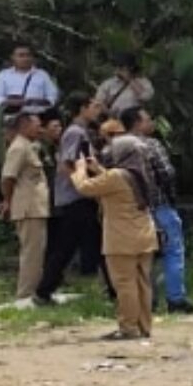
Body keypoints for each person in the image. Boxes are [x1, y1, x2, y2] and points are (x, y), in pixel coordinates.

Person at [76, 136, 160, 342]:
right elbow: (116, 186)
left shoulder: (116, 175)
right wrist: (97, 169)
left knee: (125, 284)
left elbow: (85, 188)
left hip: (122, 238)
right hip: (144, 236)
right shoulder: (138, 174)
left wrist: (78, 170)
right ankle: (143, 326)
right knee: (142, 283)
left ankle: (128, 327)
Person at [120, 107, 193, 316]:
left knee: (144, 256)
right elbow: (167, 173)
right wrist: (170, 198)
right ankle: (175, 298)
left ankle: (147, 300)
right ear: (137, 123)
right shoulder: (151, 144)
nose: (151, 123)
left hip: (132, 209)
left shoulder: (118, 147)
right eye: (147, 119)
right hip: (160, 206)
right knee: (173, 250)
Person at [36, 96, 108, 302]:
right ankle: (44, 290)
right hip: (76, 197)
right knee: (70, 246)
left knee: (75, 244)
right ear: (82, 108)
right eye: (94, 106)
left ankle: (45, 289)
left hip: (78, 197)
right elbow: (66, 164)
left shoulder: (80, 132)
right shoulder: (75, 132)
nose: (98, 110)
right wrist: (83, 185)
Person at [0, 110, 54, 307]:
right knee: (32, 252)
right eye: (36, 124)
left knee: (37, 251)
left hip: (36, 206)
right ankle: (26, 295)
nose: (39, 128)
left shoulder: (30, 146)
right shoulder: (19, 147)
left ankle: (36, 292)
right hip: (28, 206)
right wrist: (7, 200)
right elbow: (7, 177)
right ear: (24, 125)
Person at [0, 43, 59, 114]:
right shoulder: (4, 75)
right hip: (13, 115)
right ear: (12, 57)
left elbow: (52, 95)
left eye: (28, 55)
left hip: (38, 115)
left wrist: (39, 102)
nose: (25, 58)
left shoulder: (42, 74)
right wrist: (11, 102)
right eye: (21, 55)